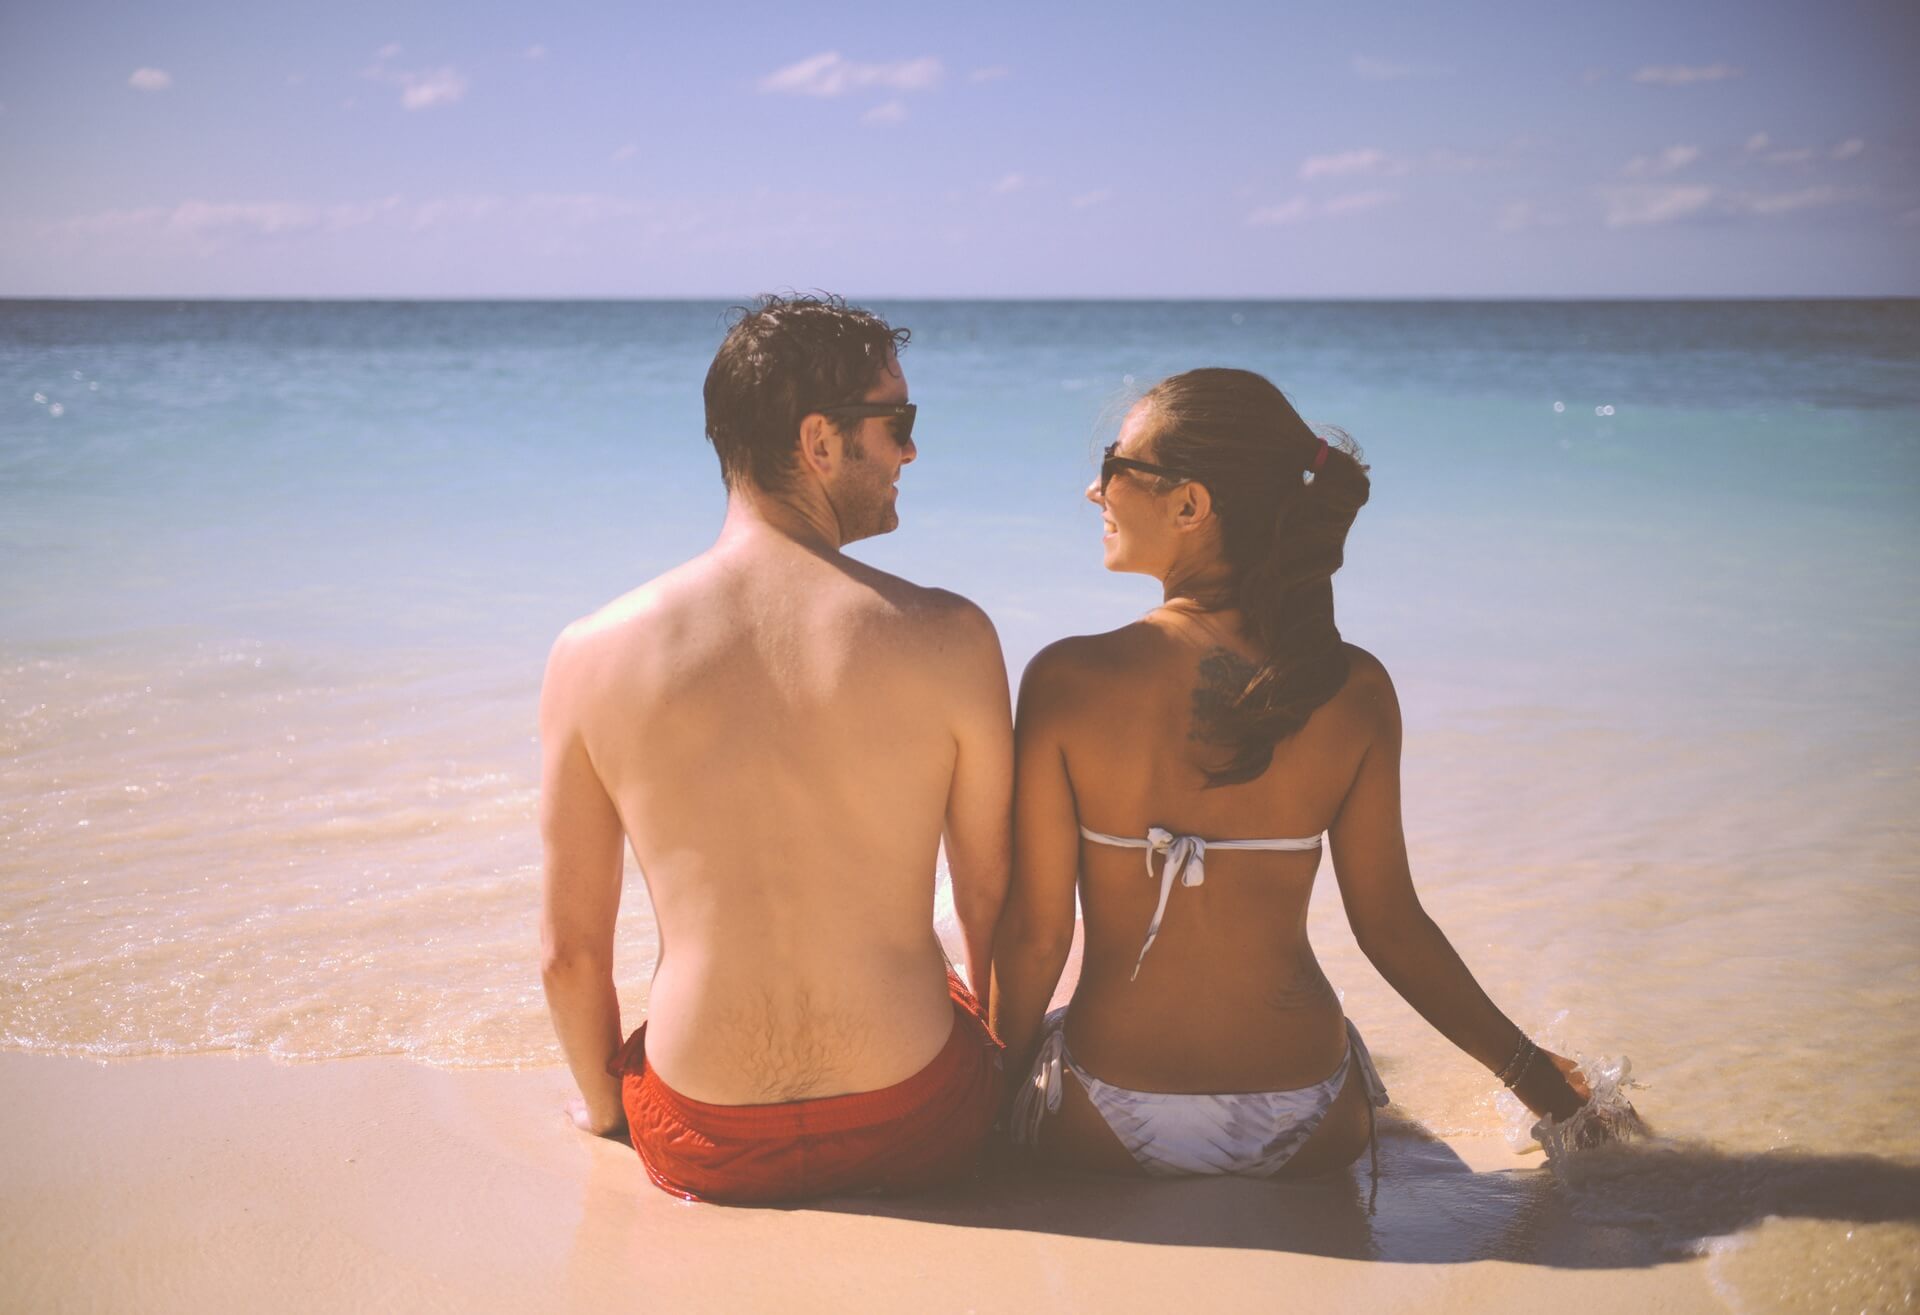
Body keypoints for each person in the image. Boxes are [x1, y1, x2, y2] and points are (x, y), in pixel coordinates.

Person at [989, 367, 1591, 1179]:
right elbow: (1392, 929)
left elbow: (1035, 937)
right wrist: (1540, 1080)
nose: (1092, 491)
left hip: (1106, 1108)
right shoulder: (1352, 687)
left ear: (1191, 505)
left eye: (1114, 465)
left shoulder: (1068, 679)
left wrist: (985, 1109)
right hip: (1309, 1115)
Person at [539, 294, 1013, 1204]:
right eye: (898, 423)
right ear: (820, 442)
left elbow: (567, 950)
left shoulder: (589, 653)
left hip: (702, 1132)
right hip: (917, 1117)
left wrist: (606, 1111)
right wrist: (998, 1076)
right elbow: (992, 900)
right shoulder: (950, 635)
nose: (911, 450)